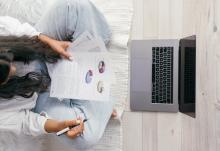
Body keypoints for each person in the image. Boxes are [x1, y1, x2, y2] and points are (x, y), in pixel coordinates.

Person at [0, 0, 115, 150]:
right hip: (38, 94)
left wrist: (49, 41)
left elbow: (17, 28)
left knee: (73, 6)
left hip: (36, 48)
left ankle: (97, 101)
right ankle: (97, 89)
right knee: (85, 138)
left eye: (9, 59)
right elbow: (25, 122)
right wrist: (59, 125)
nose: (15, 69)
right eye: (7, 76)